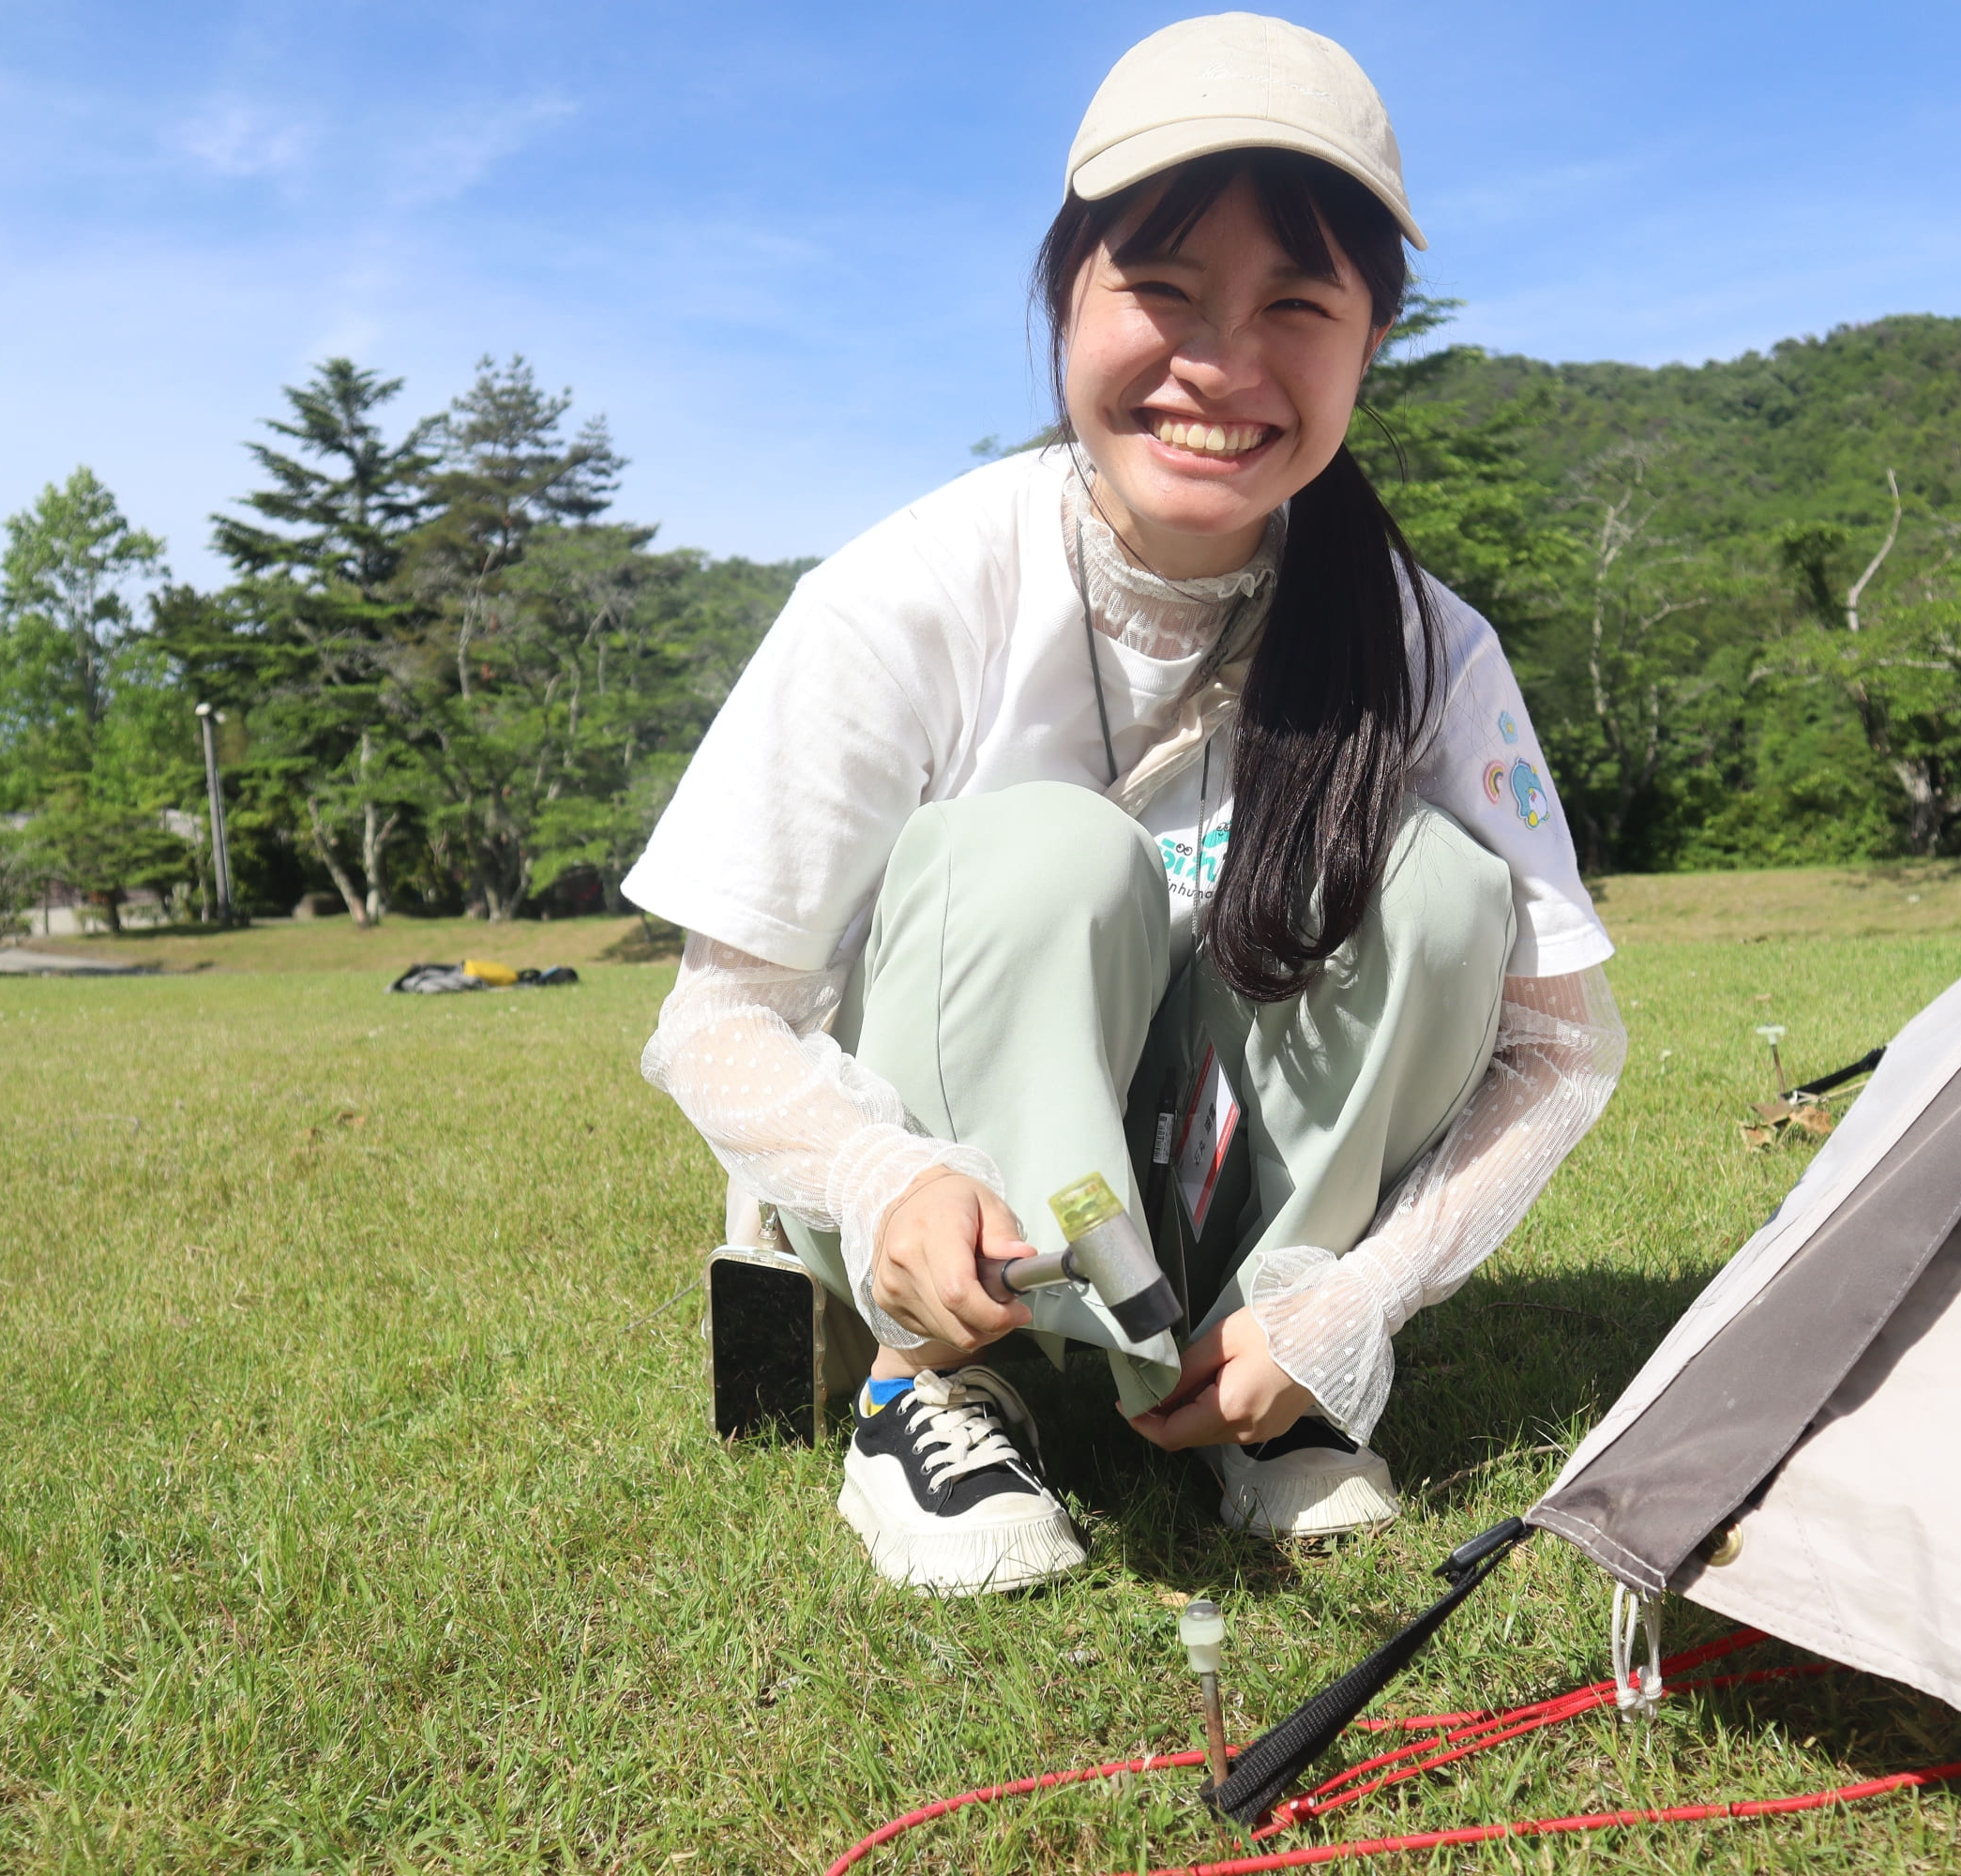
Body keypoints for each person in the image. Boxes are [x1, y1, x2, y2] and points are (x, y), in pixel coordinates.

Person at [628, 13, 1626, 1596]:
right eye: (1161, 290)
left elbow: (1565, 1047)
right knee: (1043, 851)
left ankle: (1245, 1371)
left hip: (1235, 1233)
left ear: (1370, 345)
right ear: (1061, 300)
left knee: (1437, 886)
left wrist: (1352, 1303)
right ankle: (938, 1384)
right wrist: (883, 1186)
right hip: (943, 1225)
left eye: (1299, 306)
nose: (1220, 367)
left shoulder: (1428, 645)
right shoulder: (906, 593)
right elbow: (716, 1019)